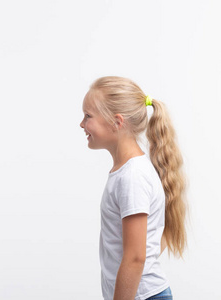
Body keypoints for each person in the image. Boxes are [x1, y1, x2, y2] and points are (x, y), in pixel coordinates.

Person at [80, 76, 187, 300]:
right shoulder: (129, 172)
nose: (82, 124)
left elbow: (136, 257)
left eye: (88, 116)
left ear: (117, 122)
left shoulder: (132, 177)